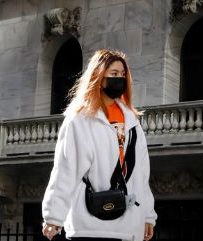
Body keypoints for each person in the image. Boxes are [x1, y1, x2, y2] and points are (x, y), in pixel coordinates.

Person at [42, 49, 156, 241]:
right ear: (98, 76)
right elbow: (66, 169)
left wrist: (148, 215)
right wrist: (53, 216)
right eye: (114, 73)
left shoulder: (132, 122)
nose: (119, 79)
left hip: (128, 226)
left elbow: (141, 174)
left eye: (123, 74)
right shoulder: (80, 119)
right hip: (89, 224)